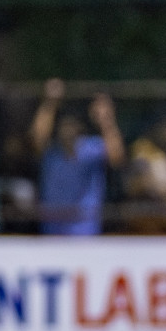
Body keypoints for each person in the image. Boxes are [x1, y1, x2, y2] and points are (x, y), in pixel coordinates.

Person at [30, 80, 124, 235]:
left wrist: (106, 119)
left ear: (80, 127)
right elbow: (36, 139)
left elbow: (117, 158)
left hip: (86, 231)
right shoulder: (51, 152)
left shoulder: (91, 148)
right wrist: (50, 103)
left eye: (72, 125)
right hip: (52, 232)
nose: (68, 129)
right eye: (64, 125)